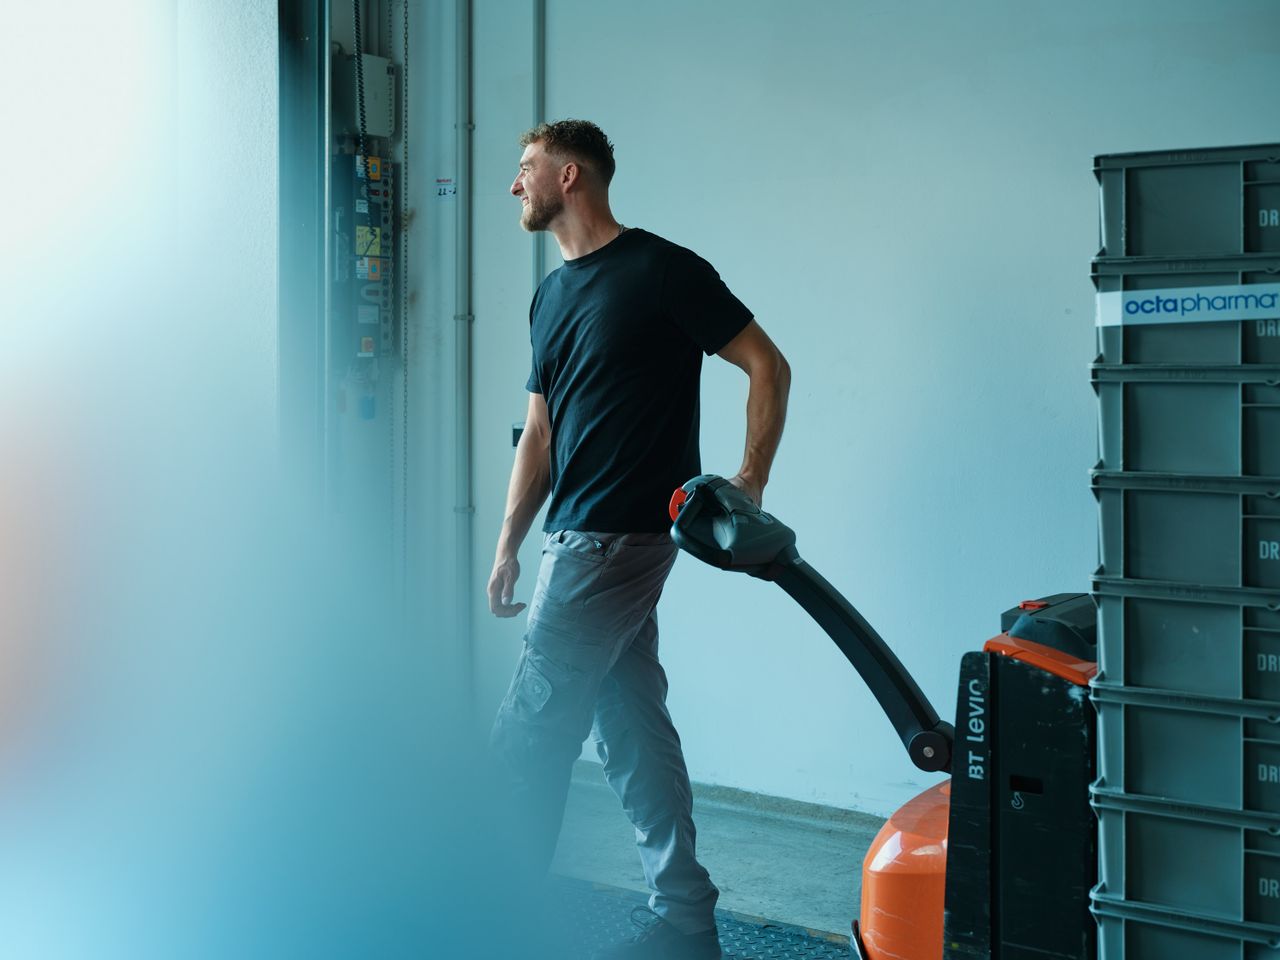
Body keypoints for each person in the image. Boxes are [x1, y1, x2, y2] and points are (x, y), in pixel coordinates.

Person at [487, 119, 790, 960]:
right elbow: (540, 434)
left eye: (526, 169)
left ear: (570, 176)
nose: (516, 185)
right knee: (631, 728)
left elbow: (768, 364)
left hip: (614, 539)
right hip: (574, 536)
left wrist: (750, 479)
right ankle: (685, 921)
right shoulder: (551, 294)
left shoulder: (660, 269)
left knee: (528, 734)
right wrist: (509, 542)